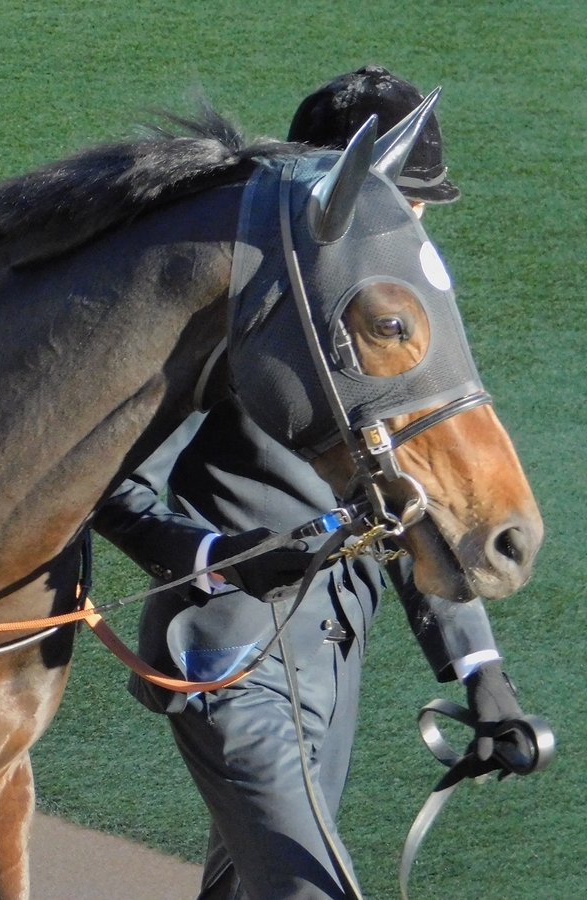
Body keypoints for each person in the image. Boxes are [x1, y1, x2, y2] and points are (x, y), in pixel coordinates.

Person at [94, 66, 536, 900]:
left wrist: (480, 668)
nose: (419, 217)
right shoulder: (240, 314)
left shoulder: (389, 327)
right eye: (408, 198)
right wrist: (226, 555)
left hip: (333, 658)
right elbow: (116, 493)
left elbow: (414, 496)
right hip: (236, 659)